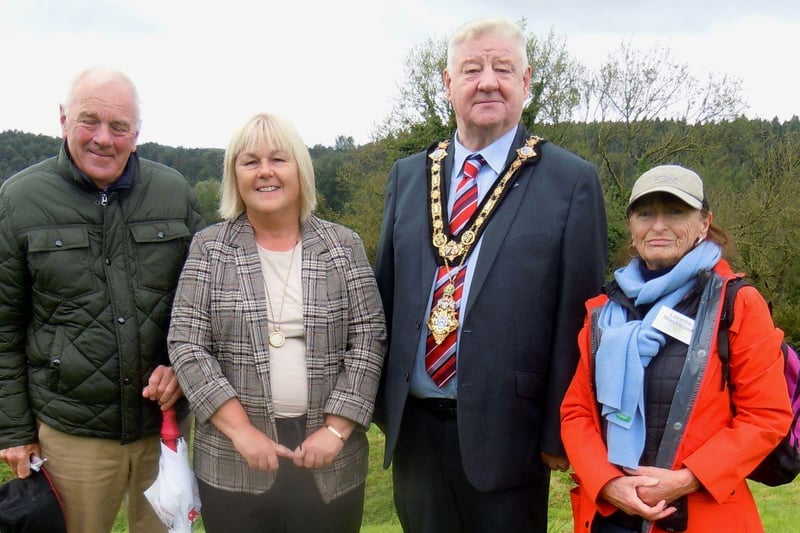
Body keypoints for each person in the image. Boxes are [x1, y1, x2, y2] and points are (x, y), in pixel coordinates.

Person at [373, 17, 608, 532]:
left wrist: (559, 434)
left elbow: (580, 317)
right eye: (471, 68)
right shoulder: (408, 176)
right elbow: (384, 295)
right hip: (414, 430)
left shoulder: (571, 182)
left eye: (503, 68)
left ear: (525, 83)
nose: (487, 81)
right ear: (447, 83)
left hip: (512, 437)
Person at [0, 67, 205, 533]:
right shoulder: (18, 200)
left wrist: (180, 365)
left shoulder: (174, 193)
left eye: (119, 127)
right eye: (88, 121)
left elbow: (200, 303)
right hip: (72, 435)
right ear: (63, 119)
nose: (102, 139)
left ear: (137, 134)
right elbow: (4, 325)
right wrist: (12, 430)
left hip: (165, 429)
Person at [167, 112, 386, 533]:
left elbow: (369, 340)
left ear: (300, 170)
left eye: (278, 160)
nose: (265, 172)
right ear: (235, 175)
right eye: (250, 162)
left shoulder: (343, 246)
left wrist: (336, 431)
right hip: (233, 461)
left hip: (329, 461)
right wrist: (242, 431)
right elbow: (187, 344)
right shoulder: (210, 248)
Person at [560, 164, 794, 532]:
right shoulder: (603, 312)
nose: (658, 225)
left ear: (704, 223)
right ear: (631, 227)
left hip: (699, 515)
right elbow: (576, 413)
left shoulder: (738, 304)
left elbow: (766, 417)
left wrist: (686, 479)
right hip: (611, 516)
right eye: (645, 213)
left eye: (675, 212)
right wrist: (608, 483)